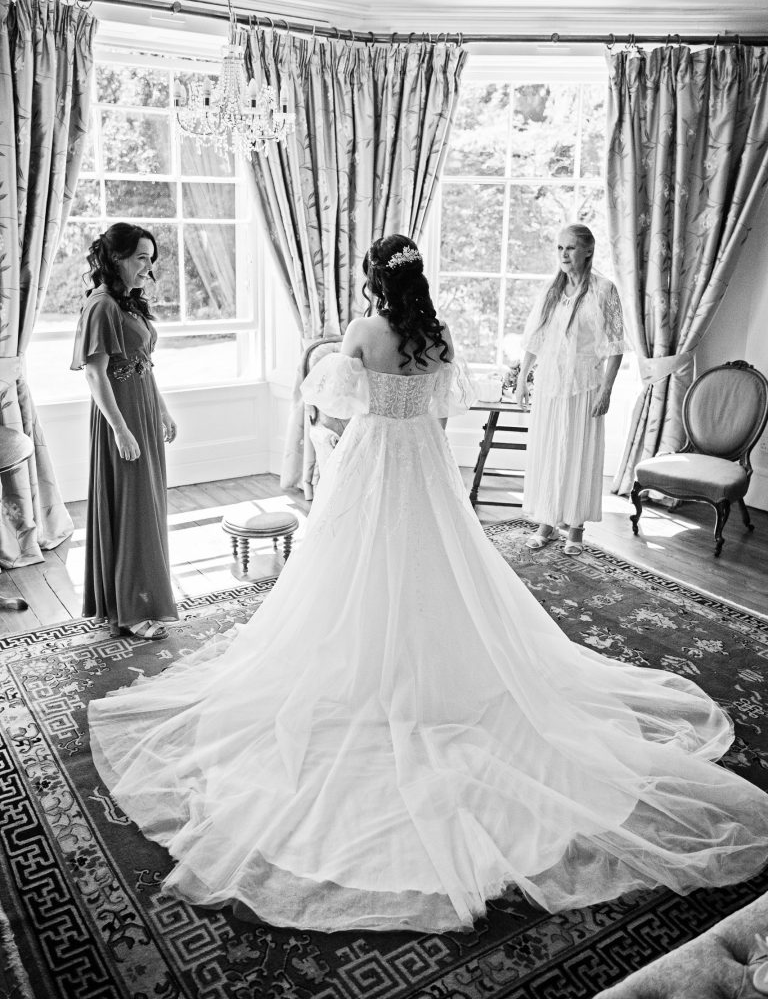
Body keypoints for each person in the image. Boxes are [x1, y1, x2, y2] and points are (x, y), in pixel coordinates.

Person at [87, 233, 768, 934]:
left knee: (355, 568)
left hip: (372, 457)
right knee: (436, 567)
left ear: (375, 279)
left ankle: (360, 668)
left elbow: (335, 410)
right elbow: (440, 414)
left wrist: (337, 417)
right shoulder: (437, 336)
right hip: (424, 462)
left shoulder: (362, 332)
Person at [72, 222, 178, 640]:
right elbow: (95, 374)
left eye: (151, 259)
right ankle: (131, 609)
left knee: (147, 506)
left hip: (143, 409)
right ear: (116, 259)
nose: (148, 267)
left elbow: (143, 364)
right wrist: (120, 429)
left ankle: (143, 597)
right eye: (141, 258)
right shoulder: (102, 306)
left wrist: (162, 411)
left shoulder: (129, 302)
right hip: (122, 415)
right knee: (132, 509)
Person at [517, 223, 624, 555]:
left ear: (588, 251)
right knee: (548, 452)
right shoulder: (550, 290)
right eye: (560, 248)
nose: (563, 254)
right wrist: (522, 379)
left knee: (580, 454)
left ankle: (575, 528)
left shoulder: (605, 290)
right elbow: (535, 339)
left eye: (571, 248)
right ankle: (546, 523)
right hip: (550, 385)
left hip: (585, 385)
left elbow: (616, 346)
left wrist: (607, 390)